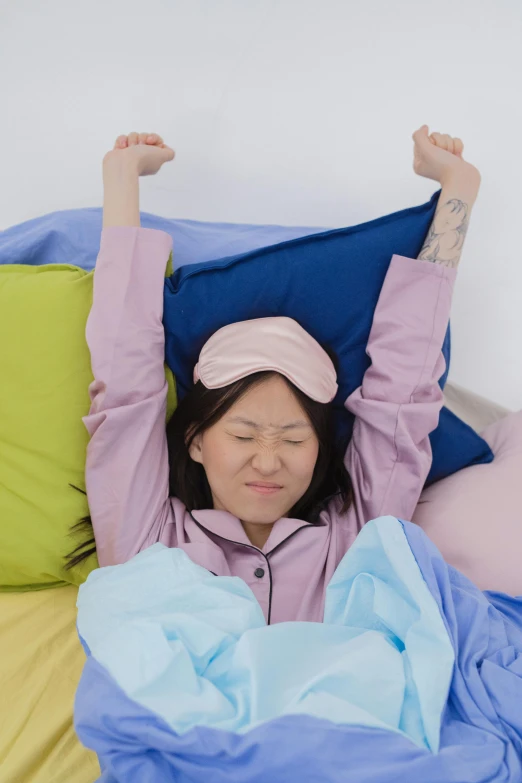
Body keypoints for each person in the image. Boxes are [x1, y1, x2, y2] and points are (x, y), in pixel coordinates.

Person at [65, 126, 482, 625]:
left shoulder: (357, 542)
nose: (267, 463)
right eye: (243, 435)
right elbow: (125, 378)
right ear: (195, 440)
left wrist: (459, 187)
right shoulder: (147, 539)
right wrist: (122, 179)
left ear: (320, 449)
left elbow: (401, 398)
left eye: (292, 438)